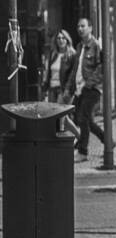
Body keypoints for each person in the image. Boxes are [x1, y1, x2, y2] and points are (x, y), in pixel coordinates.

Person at [67, 18, 106, 161]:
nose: (80, 29)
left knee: (83, 118)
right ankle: (108, 142)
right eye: (78, 26)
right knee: (85, 119)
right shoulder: (79, 46)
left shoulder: (95, 45)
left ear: (90, 28)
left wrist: (89, 83)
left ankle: (83, 151)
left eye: (83, 26)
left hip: (91, 88)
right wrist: (70, 88)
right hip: (80, 88)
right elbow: (76, 69)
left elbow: (101, 67)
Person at [42, 29, 75, 103]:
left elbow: (73, 75)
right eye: (59, 38)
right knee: (51, 113)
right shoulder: (53, 54)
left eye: (63, 38)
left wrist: (68, 90)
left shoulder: (72, 55)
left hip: (62, 90)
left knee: (61, 113)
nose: (61, 40)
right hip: (51, 89)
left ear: (67, 40)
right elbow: (48, 73)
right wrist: (45, 89)